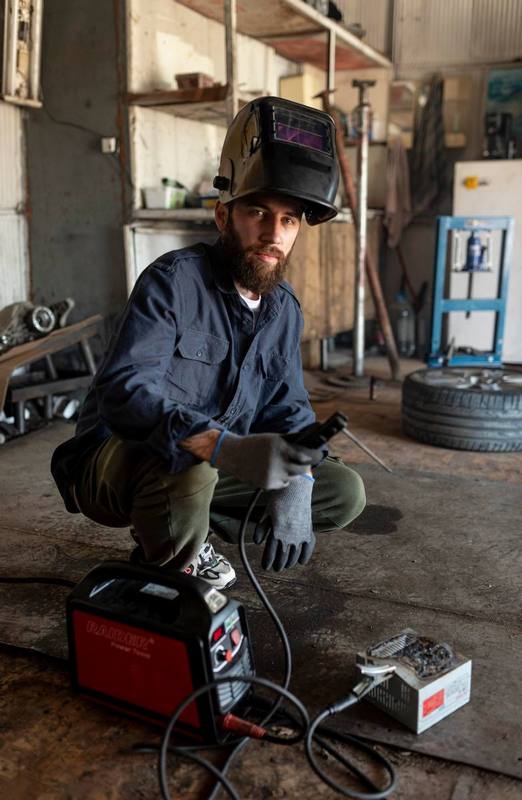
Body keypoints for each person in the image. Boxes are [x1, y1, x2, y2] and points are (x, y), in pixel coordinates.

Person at [51, 97, 366, 590]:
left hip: (211, 464)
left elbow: (289, 408)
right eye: (258, 212)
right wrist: (220, 446)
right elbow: (125, 395)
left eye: (288, 221)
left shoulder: (283, 308)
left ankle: (185, 523)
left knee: (344, 492)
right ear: (224, 216)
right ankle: (173, 556)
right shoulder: (173, 281)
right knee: (193, 466)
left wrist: (300, 480)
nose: (273, 233)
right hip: (113, 461)